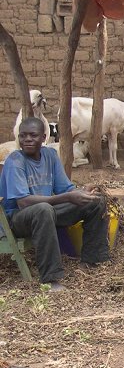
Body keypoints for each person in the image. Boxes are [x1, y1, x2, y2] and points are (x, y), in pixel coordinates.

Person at [0, 117, 109, 291]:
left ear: (44, 138)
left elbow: (65, 189)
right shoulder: (15, 161)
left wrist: (80, 192)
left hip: (46, 212)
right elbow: (24, 202)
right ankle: (51, 279)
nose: (27, 139)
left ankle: (93, 260)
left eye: (33, 135)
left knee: (95, 202)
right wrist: (67, 197)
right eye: (23, 136)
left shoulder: (50, 155)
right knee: (43, 210)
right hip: (18, 219)